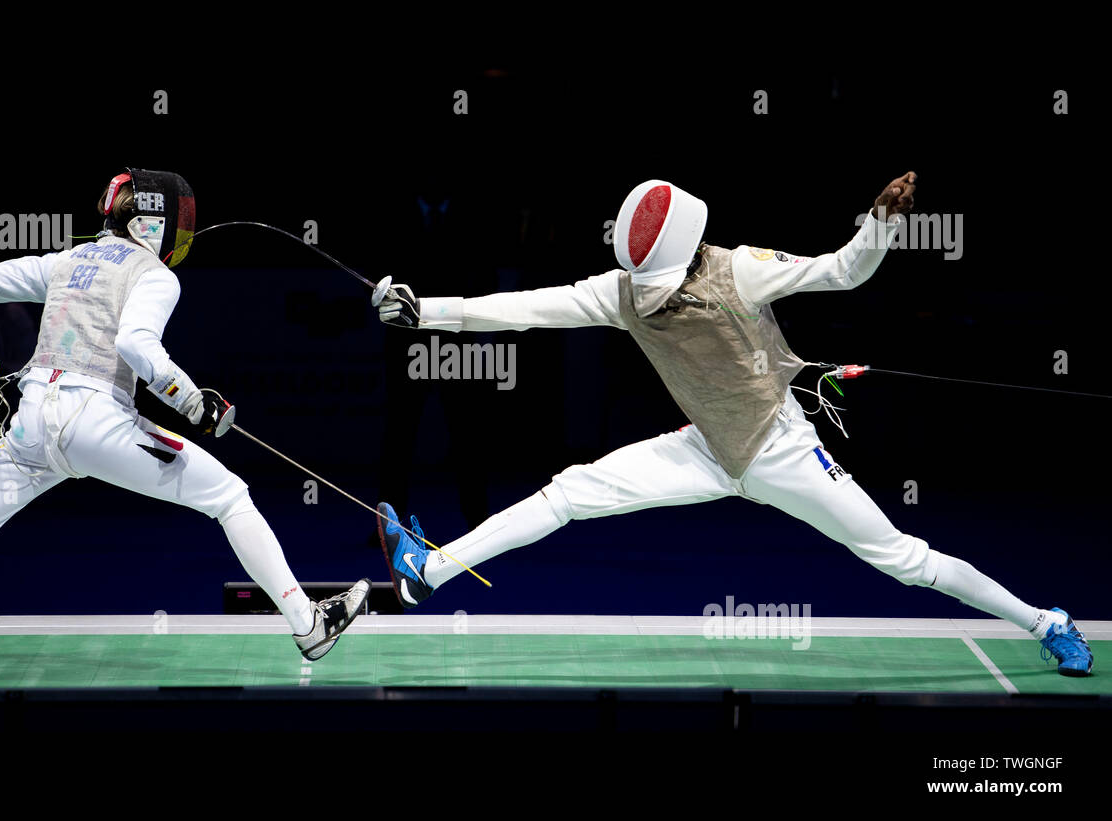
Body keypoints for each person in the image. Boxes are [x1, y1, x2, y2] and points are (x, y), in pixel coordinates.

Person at [372, 172, 1092, 677]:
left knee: (903, 557)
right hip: (705, 449)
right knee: (568, 493)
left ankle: (1046, 622)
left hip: (781, 449)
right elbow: (523, 309)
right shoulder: (620, 293)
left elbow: (842, 272)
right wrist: (423, 311)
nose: (648, 301)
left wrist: (879, 224)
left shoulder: (740, 270)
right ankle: (426, 571)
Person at [0, 168, 368, 686]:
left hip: (30, 428)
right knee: (229, 496)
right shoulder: (153, 275)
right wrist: (193, 402)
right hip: (97, 422)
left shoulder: (68, 262)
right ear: (154, 222)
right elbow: (135, 344)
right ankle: (307, 626)